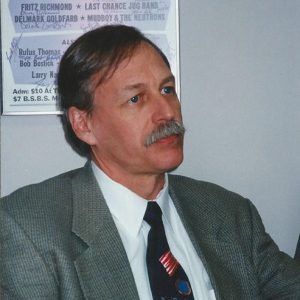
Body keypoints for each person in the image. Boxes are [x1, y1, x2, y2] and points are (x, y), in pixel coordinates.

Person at [1, 25, 300, 300]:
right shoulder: (28, 230)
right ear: (84, 124)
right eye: (136, 99)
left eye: (167, 90)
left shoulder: (230, 214)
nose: (167, 113)